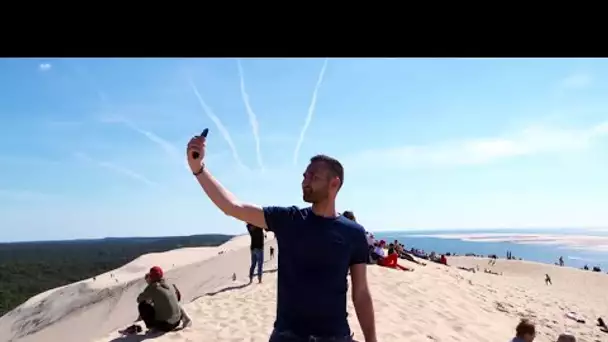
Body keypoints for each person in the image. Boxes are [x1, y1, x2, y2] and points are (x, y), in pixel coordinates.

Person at [187, 134, 377, 342]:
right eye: (304, 176)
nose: (305, 181)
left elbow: (360, 293)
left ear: (334, 184)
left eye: (313, 177)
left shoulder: (354, 232)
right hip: (288, 336)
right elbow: (232, 207)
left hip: (335, 336)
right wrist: (198, 168)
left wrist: (371, 340)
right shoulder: (289, 219)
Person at [135, 266, 191, 332]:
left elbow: (139, 300)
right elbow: (178, 297)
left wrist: (149, 285)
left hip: (166, 326)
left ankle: (152, 327)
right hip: (177, 322)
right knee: (171, 301)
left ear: (151, 277)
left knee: (142, 305)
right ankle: (185, 318)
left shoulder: (152, 287)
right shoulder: (169, 283)